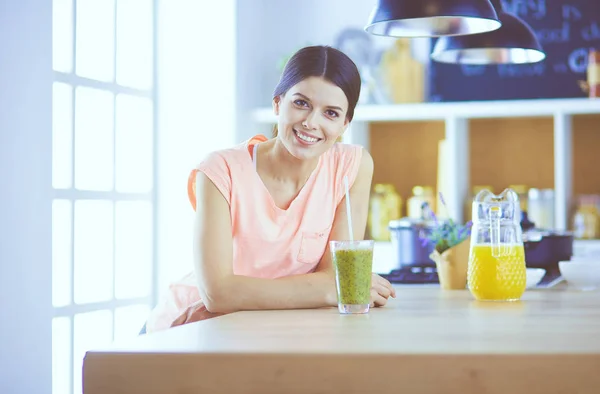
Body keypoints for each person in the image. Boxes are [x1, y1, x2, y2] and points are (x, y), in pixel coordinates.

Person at [143, 45, 396, 334]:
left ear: (345, 124)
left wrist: (332, 285)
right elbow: (217, 295)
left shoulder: (352, 166)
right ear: (278, 104)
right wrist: (330, 288)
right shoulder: (219, 170)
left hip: (264, 329)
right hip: (186, 329)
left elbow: (335, 276)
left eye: (331, 113)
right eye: (301, 103)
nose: (312, 123)